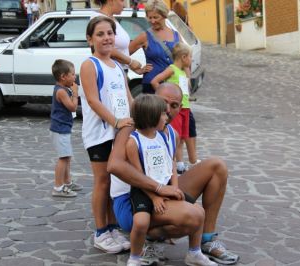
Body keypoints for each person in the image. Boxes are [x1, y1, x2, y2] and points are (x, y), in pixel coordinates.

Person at [108, 83, 239, 265]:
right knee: (193, 216)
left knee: (217, 166)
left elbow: (169, 169)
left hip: (162, 192)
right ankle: (147, 237)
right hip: (132, 199)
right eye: (163, 103)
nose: (168, 110)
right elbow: (114, 166)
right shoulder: (132, 128)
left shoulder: (172, 133)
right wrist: (159, 189)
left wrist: (173, 190)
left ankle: (207, 239)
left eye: (174, 105)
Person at [125, 94, 216, 266]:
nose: (167, 118)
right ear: (151, 117)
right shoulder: (133, 142)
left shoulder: (164, 137)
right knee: (141, 222)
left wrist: (175, 188)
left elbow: (171, 163)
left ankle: (194, 252)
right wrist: (155, 197)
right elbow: (138, 176)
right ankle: (135, 257)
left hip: (166, 186)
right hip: (145, 191)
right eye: (163, 114)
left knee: (199, 211)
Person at [80, 16, 134, 254]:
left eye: (110, 33)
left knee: (114, 183)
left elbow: (128, 98)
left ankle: (112, 228)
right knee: (102, 182)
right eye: (100, 34)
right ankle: (101, 232)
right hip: (100, 134)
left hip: (120, 132)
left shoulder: (116, 66)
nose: (106, 38)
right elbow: (92, 99)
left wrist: (136, 120)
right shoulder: (90, 65)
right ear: (90, 39)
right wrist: (115, 121)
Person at [151, 42, 199, 173]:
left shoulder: (183, 72)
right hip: (176, 110)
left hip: (185, 108)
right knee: (175, 136)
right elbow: (155, 81)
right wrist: (164, 99)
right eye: (190, 57)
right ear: (183, 57)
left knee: (182, 137)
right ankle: (177, 163)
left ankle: (180, 162)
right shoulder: (172, 69)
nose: (191, 60)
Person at [129, 0, 183, 94]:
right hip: (151, 86)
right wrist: (137, 69)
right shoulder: (145, 36)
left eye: (156, 17)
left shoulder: (176, 35)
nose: (152, 21)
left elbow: (183, 59)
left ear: (164, 16)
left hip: (173, 84)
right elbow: (123, 54)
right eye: (150, 18)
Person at [49, 59, 82, 198]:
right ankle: (58, 187)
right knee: (63, 158)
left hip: (64, 128)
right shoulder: (61, 92)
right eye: (73, 74)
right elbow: (73, 107)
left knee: (67, 157)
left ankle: (67, 182)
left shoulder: (63, 88)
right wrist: (75, 93)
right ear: (63, 76)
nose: (75, 77)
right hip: (60, 129)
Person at [91, 0, 148, 75]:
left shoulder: (110, 18)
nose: (124, 5)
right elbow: (106, 48)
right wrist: (130, 62)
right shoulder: (100, 19)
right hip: (110, 72)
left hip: (119, 70)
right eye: (121, 0)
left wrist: (132, 67)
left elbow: (120, 51)